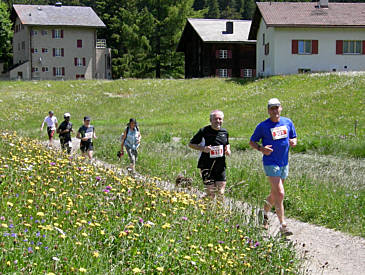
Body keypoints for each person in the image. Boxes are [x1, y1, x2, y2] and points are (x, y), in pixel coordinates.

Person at [249, 98, 297, 235]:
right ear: (268, 110)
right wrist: (261, 149)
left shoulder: (288, 122)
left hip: (284, 162)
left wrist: (293, 141)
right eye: (272, 108)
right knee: (280, 193)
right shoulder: (263, 126)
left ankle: (263, 213)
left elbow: (294, 137)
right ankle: (283, 225)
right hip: (270, 162)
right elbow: (252, 142)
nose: (275, 111)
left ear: (281, 108)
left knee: (274, 194)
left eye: (277, 108)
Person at [189, 110, 231, 199]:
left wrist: (228, 150)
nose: (218, 121)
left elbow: (227, 143)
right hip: (206, 165)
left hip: (220, 165)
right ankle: (206, 208)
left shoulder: (224, 132)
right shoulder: (204, 131)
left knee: (221, 192)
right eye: (215, 119)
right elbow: (191, 144)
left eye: (220, 119)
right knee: (211, 193)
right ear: (210, 120)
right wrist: (203, 149)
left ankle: (218, 211)